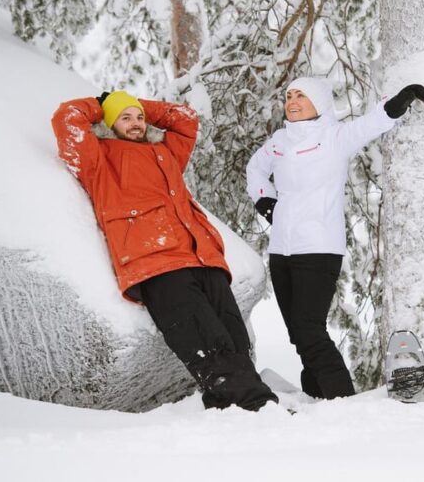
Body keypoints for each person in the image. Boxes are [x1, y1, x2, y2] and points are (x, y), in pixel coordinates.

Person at [52, 90, 278, 412]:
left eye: (139, 118)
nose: (136, 124)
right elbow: (66, 119)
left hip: (203, 257)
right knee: (206, 342)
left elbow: (185, 120)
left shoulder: (164, 153)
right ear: (108, 123)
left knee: (235, 340)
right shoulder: (98, 159)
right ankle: (259, 407)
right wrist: (101, 106)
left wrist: (138, 104)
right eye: (125, 118)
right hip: (157, 264)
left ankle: (228, 410)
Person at [246, 77, 424, 399]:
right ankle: (318, 394)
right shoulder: (280, 141)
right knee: (298, 333)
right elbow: (255, 169)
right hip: (281, 250)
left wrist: (400, 100)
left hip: (318, 248)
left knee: (308, 328)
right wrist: (265, 201)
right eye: (288, 96)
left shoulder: (334, 137)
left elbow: (372, 123)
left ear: (318, 101)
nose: (292, 101)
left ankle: (341, 399)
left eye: (300, 95)